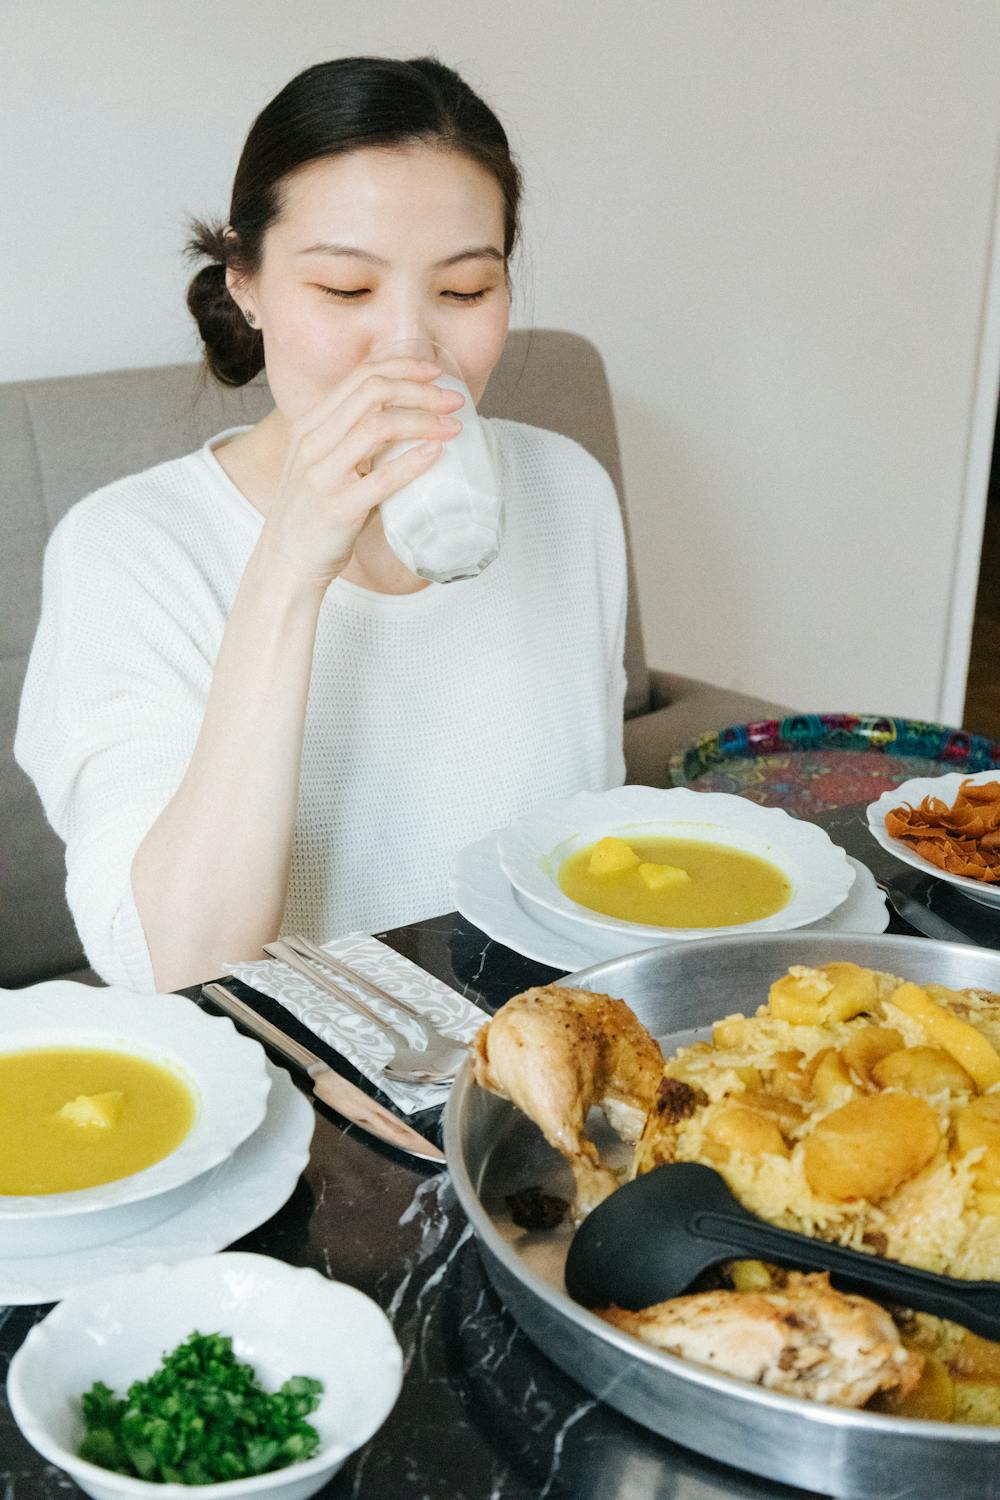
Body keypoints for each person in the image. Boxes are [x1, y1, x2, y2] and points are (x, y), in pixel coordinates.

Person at [15, 56, 628, 993]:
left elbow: (591, 863)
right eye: (346, 291)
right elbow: (174, 967)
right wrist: (288, 567)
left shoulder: (566, 491)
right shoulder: (130, 550)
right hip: (304, 1108)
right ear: (247, 284)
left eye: (464, 291)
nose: (411, 350)